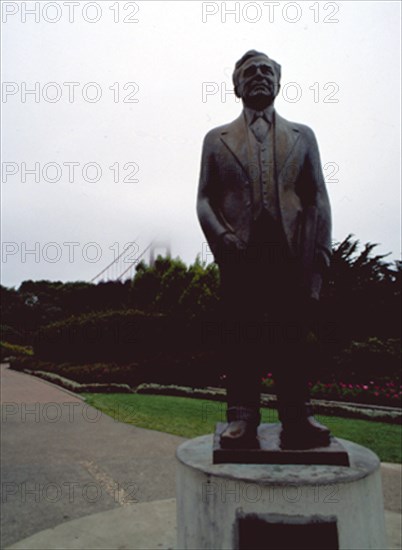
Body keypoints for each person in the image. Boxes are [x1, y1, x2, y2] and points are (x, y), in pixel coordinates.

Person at [197, 50, 332, 449]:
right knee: (242, 337)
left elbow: (318, 198)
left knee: (292, 337)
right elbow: (204, 199)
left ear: (278, 81)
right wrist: (222, 239)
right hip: (241, 256)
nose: (259, 77)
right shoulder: (215, 140)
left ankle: (296, 418)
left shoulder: (303, 136)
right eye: (249, 72)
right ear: (235, 85)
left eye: (266, 71)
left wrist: (320, 257)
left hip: (291, 255)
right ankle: (241, 418)